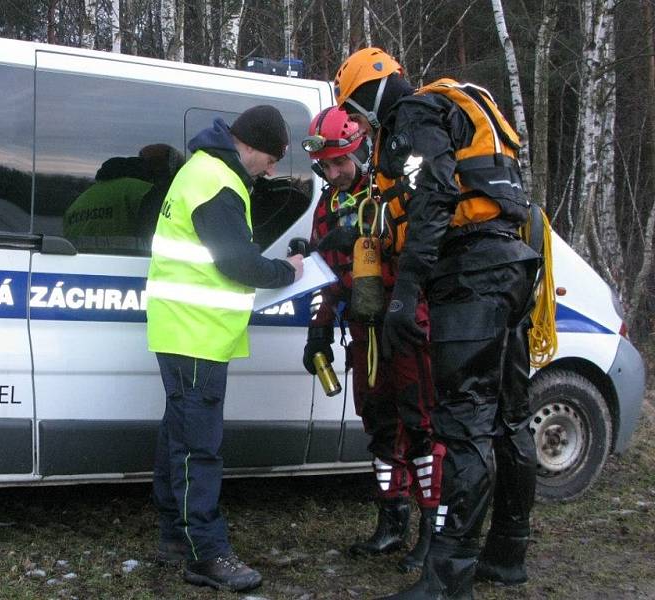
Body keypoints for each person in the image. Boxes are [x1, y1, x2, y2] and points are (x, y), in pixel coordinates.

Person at [333, 48, 540, 599]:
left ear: (371, 93)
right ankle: (507, 553)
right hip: (511, 263)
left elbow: (434, 199)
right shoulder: (458, 104)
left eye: (354, 108)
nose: (357, 121)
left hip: (469, 273)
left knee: (463, 425)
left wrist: (405, 291)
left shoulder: (413, 116)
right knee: (511, 418)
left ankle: (448, 580)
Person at [145, 105, 305, 592]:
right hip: (197, 334)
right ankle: (207, 553)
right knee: (200, 447)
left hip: (183, 329)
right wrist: (289, 272)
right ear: (253, 146)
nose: (273, 170)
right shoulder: (218, 181)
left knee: (179, 437)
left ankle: (176, 536)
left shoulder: (201, 169)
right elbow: (237, 263)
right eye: (274, 158)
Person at [301, 106, 442, 572]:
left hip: (404, 323)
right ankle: (391, 521)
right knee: (379, 425)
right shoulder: (325, 206)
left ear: (359, 148)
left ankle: (433, 530)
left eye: (342, 161)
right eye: (328, 165)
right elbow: (326, 276)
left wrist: (361, 234)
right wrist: (319, 330)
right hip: (364, 332)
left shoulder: (388, 192)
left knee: (420, 426)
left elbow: (418, 255)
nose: (336, 171)